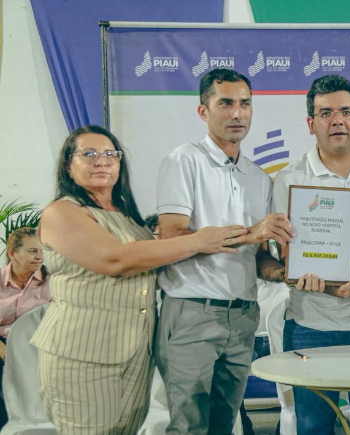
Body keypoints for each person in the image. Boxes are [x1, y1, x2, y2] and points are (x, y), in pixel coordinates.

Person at [30, 125, 246, 435]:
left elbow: (151, 262)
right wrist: (199, 240)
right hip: (82, 352)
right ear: (68, 165)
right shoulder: (61, 212)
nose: (101, 161)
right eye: (88, 154)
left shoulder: (126, 215)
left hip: (133, 352)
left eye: (110, 154)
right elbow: (115, 260)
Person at [258, 74, 350, 434]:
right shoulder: (289, 179)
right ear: (311, 124)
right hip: (311, 325)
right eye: (325, 113)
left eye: (345, 112)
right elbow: (281, 258)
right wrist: (309, 280)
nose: (337, 121)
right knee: (313, 428)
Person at [155, 68, 293, 435]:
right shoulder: (184, 161)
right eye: (226, 103)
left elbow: (259, 256)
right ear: (203, 111)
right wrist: (250, 234)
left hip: (243, 314)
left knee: (224, 424)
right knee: (189, 426)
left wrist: (286, 274)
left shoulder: (258, 177)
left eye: (245, 104)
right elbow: (171, 236)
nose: (237, 113)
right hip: (192, 311)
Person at [0, 227, 51, 428]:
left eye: (42, 251)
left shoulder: (52, 280)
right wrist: (3, 349)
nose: (39, 257)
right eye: (32, 251)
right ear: (13, 253)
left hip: (38, 344)